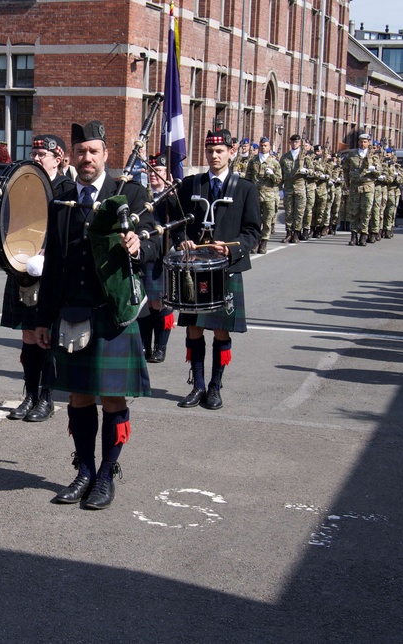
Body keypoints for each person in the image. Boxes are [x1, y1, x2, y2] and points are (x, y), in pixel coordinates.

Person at [34, 120, 156, 510]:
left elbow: (156, 238)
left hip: (113, 313)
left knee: (113, 399)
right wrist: (43, 318)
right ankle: (84, 471)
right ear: (72, 156)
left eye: (93, 151)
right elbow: (53, 265)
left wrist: (139, 244)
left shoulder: (130, 193)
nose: (87, 158)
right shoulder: (61, 199)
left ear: (106, 154)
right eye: (81, 151)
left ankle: (106, 475)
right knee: (79, 397)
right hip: (72, 311)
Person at [168, 129, 261, 411]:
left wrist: (232, 248)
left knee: (221, 330)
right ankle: (197, 385)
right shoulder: (192, 184)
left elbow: (252, 232)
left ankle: (214, 387)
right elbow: (178, 222)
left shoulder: (245, 188)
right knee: (194, 328)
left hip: (225, 268)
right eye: (210, 151)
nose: (214, 156)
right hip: (195, 268)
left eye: (220, 151)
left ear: (232, 152)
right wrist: (181, 240)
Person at [2, 134, 72, 422]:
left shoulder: (67, 189)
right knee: (28, 335)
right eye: (33, 153)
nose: (36, 158)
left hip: (53, 272)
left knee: (49, 337)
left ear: (58, 158)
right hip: (23, 268)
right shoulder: (24, 183)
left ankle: (47, 397)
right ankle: (30, 394)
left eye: (42, 154)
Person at [136, 152, 176, 363]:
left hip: (163, 254)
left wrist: (172, 196)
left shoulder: (172, 195)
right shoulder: (142, 194)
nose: (153, 175)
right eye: (151, 171)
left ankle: (161, 347)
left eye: (158, 171)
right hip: (145, 253)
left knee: (161, 303)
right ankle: (145, 345)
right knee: (145, 303)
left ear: (166, 174)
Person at [245, 136, 282, 253]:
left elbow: (278, 180)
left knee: (267, 220)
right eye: (261, 145)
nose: (263, 148)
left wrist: (271, 175)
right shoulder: (253, 161)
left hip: (269, 195)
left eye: (265, 146)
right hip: (256, 195)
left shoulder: (274, 162)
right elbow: (248, 178)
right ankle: (255, 241)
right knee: (256, 219)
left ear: (269, 147)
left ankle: (264, 241)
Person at [341, 131, 379, 247]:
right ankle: (354, 236)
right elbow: (345, 169)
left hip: (368, 186)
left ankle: (363, 235)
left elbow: (379, 172)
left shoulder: (373, 156)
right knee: (354, 211)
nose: (363, 144)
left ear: (368, 143)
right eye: (361, 141)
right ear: (358, 142)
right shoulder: (352, 155)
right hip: (355, 186)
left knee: (366, 211)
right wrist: (347, 183)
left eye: (365, 142)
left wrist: (373, 169)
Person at [280, 134, 311, 243]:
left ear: (300, 143)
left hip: (300, 187)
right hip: (288, 187)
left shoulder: (305, 157)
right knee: (288, 211)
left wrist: (307, 171)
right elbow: (280, 172)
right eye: (293, 142)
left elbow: (313, 171)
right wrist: (279, 187)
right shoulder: (285, 157)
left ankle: (296, 233)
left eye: (296, 142)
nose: (294, 144)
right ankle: (288, 233)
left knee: (299, 211)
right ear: (290, 143)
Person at [383, 147, 401, 239]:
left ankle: (388, 228)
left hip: (393, 190)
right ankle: (379, 229)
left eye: (388, 153)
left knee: (391, 211)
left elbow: (402, 179)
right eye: (386, 153)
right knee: (380, 211)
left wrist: (396, 176)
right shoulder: (381, 164)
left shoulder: (396, 167)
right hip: (383, 189)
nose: (387, 154)